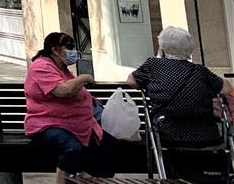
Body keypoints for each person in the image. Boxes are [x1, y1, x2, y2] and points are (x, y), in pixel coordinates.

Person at [126, 27, 233, 182]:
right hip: (206, 134)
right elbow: (227, 87)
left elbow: (131, 81)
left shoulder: (153, 65)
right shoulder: (200, 71)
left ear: (163, 49)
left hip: (167, 132)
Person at [24, 31, 119, 183]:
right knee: (73, 148)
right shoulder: (41, 67)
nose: (73, 51)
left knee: (110, 146)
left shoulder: (62, 69)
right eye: (69, 47)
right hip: (46, 125)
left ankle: (90, 179)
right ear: (55, 50)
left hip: (75, 123)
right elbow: (63, 91)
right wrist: (84, 78)